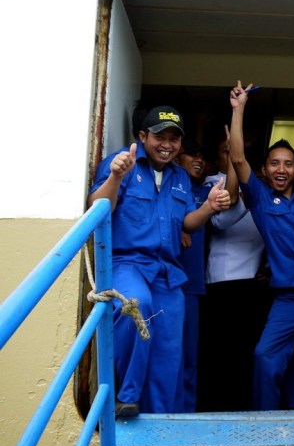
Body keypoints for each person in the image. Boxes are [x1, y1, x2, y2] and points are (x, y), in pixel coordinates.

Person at [87, 105, 231, 417]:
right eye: (159, 137)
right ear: (142, 136)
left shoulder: (180, 177)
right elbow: (97, 206)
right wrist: (115, 177)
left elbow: (187, 223)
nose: (167, 144)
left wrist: (208, 207)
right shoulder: (122, 162)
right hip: (127, 263)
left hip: (168, 271)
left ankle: (164, 420)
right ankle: (126, 398)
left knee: (168, 352)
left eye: (173, 139)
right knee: (136, 305)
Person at [228, 81, 294, 410]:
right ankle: (264, 421)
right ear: (264, 170)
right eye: (274, 163)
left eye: (288, 164)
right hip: (290, 298)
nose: (281, 169)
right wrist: (239, 109)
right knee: (265, 356)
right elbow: (237, 157)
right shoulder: (259, 197)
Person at [196, 131, 270, 412]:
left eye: (235, 152)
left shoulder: (261, 188)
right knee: (220, 355)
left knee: (248, 354)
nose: (232, 156)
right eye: (225, 152)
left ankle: (244, 411)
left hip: (254, 285)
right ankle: (217, 412)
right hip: (222, 284)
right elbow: (222, 220)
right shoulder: (211, 184)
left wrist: (269, 266)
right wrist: (240, 182)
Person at [175, 139, 210, 413]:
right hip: (158, 282)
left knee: (188, 358)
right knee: (164, 356)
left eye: (202, 156)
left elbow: (232, 198)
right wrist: (176, 227)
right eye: (192, 154)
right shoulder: (162, 185)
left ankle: (185, 416)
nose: (199, 160)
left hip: (191, 285)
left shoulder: (205, 192)